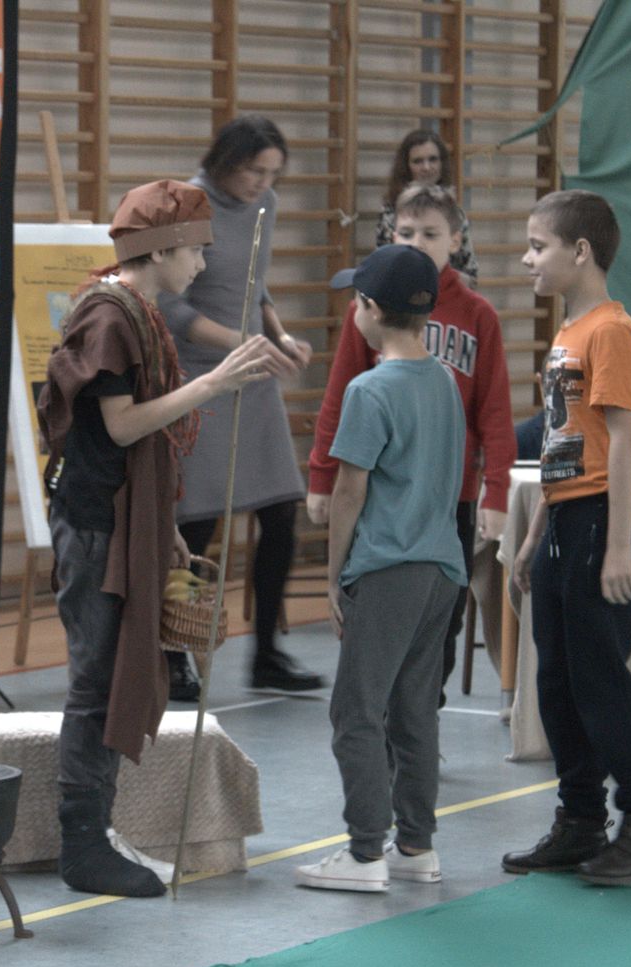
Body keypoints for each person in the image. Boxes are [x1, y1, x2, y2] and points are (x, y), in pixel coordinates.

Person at [37, 179, 299, 898]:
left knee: (113, 675)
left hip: (119, 520)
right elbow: (122, 426)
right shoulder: (109, 317)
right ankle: (82, 843)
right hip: (95, 526)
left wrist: (165, 531)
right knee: (97, 682)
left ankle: (96, 829)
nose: (202, 265)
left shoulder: (136, 313)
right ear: (160, 249)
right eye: (196, 251)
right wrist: (215, 382)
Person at [503, 190, 631, 886]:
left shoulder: (611, 331)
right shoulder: (569, 333)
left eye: (537, 246)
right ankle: (580, 819)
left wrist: (618, 545)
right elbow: (564, 446)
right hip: (565, 517)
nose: (526, 259)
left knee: (599, 675)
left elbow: (628, 440)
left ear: (580, 252)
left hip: (604, 519)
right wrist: (533, 535)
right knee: (556, 677)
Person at [296, 243, 466, 892]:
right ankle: (416, 846)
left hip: (388, 567)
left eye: (355, 301)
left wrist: (333, 575)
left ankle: (365, 852)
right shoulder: (443, 381)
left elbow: (349, 490)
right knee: (414, 712)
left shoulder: (368, 390)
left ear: (369, 309)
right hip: (441, 569)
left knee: (356, 713)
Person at [309, 185, 514, 703]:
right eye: (406, 233)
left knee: (440, 627)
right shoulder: (369, 310)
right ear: (389, 236)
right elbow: (339, 395)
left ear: (456, 240)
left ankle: (420, 713)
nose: (417, 242)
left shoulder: (478, 315)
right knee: (377, 621)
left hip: (449, 496)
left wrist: (496, 492)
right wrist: (321, 475)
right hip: (384, 497)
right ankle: (394, 718)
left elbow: (495, 412)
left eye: (430, 233)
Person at [157, 115, 321, 698]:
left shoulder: (264, 205)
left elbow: (257, 285)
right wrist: (238, 343)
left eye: (273, 173)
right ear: (226, 160)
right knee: (198, 521)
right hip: (202, 376)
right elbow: (169, 307)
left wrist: (278, 336)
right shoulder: (188, 204)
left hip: (251, 374)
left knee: (280, 514)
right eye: (254, 170)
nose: (263, 183)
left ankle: (268, 652)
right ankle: (174, 651)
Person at [374, 129, 479, 284]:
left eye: (433, 159)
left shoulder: (456, 213)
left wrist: (443, 279)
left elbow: (471, 275)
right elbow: (382, 269)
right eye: (418, 161)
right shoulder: (390, 214)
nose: (426, 167)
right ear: (406, 167)